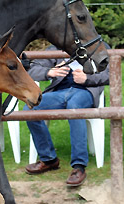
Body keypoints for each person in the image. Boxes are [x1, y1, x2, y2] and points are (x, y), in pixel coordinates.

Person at [23, 46, 110, 187]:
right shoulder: (55, 47)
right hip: (59, 92)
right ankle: (49, 159)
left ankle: (79, 166)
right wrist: (48, 72)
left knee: (74, 107)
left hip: (85, 92)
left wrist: (87, 78)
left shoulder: (97, 46)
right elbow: (31, 69)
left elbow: (110, 73)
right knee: (29, 109)